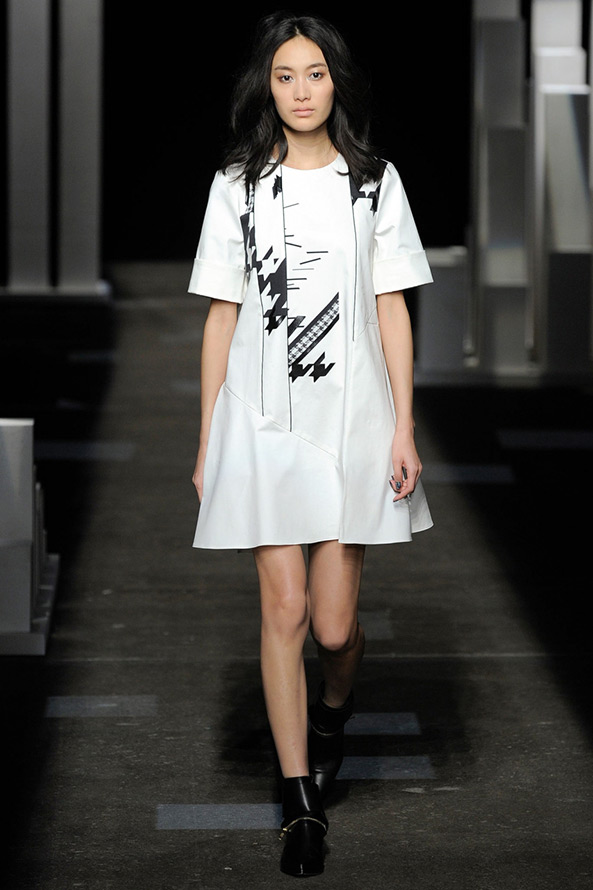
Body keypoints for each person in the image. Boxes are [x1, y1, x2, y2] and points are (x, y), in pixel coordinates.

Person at [190, 11, 433, 877]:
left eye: (315, 74)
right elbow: (221, 315)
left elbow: (391, 305)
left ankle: (332, 709)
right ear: (267, 85)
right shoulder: (237, 185)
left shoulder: (373, 184)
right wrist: (209, 437)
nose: (300, 91)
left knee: (332, 629)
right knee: (284, 609)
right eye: (285, 75)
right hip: (261, 419)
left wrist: (403, 425)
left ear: (337, 83)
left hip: (352, 419)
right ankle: (299, 802)